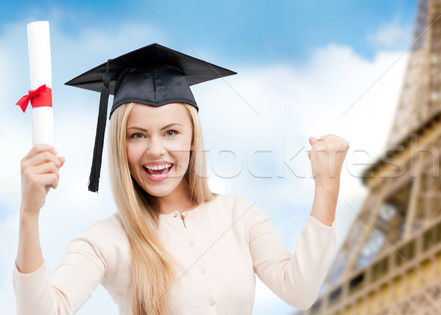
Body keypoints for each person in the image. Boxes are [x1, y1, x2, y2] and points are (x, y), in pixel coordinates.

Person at [13, 43, 349, 314]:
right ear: (119, 146)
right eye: (137, 135)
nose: (155, 150)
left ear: (193, 138)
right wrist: (29, 213)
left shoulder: (239, 215)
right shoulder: (106, 240)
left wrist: (327, 186)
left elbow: (300, 291)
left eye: (171, 132)